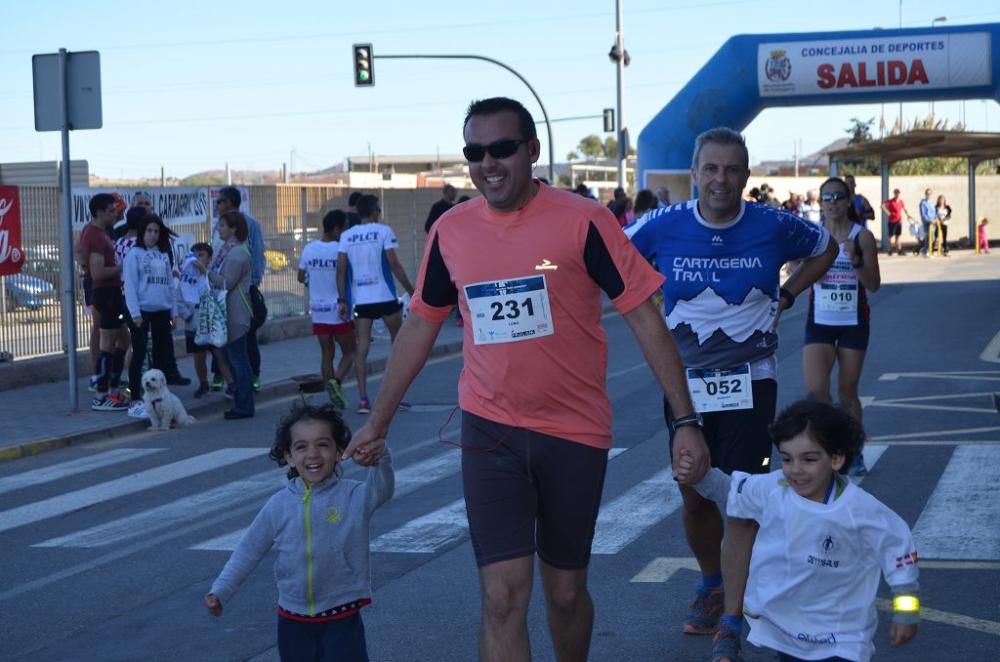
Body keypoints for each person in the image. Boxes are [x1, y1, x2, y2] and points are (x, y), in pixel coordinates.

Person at [341, 96, 709, 662]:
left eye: (502, 149)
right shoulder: (451, 231)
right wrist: (378, 422)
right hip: (492, 432)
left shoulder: (585, 221)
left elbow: (644, 315)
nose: (488, 163)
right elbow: (419, 326)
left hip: (574, 434)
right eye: (474, 152)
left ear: (531, 151)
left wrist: (685, 421)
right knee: (501, 597)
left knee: (564, 594)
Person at [624, 126, 837, 656]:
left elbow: (826, 248)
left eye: (732, 170)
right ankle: (710, 581)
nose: (721, 180)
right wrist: (647, 306)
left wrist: (788, 293)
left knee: (741, 495)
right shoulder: (660, 226)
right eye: (711, 169)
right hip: (685, 386)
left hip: (751, 379)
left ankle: (735, 614)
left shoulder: (774, 224)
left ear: (746, 175)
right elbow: (615, 265)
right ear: (695, 173)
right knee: (695, 494)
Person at [678, 400, 920, 662]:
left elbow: (899, 555)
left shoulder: (861, 511)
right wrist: (697, 477)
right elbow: (728, 490)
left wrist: (906, 611)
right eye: (786, 459)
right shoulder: (774, 489)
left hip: (842, 637)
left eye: (809, 459)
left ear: (836, 458)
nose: (796, 470)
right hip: (787, 632)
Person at [204, 402, 393, 662]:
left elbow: (383, 489)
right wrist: (221, 590)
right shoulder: (278, 505)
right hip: (293, 620)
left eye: (323, 444)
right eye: (301, 447)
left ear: (339, 451)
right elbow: (248, 550)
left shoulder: (353, 495)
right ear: (289, 456)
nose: (313, 454)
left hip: (342, 615)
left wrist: (380, 458)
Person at [801, 177, 881, 478]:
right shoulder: (815, 236)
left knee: (847, 392)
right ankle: (828, 450)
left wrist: (855, 259)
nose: (832, 202)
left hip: (852, 323)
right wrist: (798, 267)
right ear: (820, 203)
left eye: (838, 196)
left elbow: (873, 285)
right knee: (816, 393)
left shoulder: (862, 237)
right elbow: (800, 273)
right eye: (826, 197)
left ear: (849, 201)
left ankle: (855, 451)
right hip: (819, 323)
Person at [336, 193, 415, 415]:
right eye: (378, 210)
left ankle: (363, 400)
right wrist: (411, 290)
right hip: (386, 297)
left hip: (362, 301)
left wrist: (342, 300)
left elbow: (341, 270)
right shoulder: (383, 231)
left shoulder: (347, 236)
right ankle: (393, 398)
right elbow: (394, 265)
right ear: (373, 212)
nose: (380, 214)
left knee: (361, 349)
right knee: (397, 346)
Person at [195, 210, 254, 420]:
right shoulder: (229, 251)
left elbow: (227, 283)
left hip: (235, 313)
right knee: (236, 359)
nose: (218, 229)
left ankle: (244, 405)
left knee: (238, 361)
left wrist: (205, 271)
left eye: (222, 225)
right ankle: (242, 402)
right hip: (229, 312)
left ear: (233, 229)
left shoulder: (237, 254)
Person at [122, 215, 180, 419]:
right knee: (138, 353)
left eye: (156, 231)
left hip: (162, 310)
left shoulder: (163, 255)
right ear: (142, 232)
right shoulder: (134, 255)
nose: (153, 235)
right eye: (149, 231)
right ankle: (135, 396)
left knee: (160, 353)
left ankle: (159, 396)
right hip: (142, 310)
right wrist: (135, 313)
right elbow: (130, 285)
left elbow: (170, 285)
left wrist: (174, 312)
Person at [299, 210, 356, 410]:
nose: (347, 232)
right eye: (345, 227)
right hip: (337, 308)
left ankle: (332, 390)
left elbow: (300, 276)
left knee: (327, 353)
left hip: (318, 309)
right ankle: (336, 382)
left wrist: (315, 280)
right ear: (336, 229)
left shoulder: (309, 249)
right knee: (351, 351)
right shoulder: (341, 250)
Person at [80, 193, 129, 411]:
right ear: (99, 212)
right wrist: (122, 267)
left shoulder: (99, 233)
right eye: (110, 211)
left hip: (112, 292)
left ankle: (113, 387)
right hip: (106, 292)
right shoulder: (96, 236)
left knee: (123, 340)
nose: (114, 214)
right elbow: (97, 273)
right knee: (107, 343)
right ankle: (102, 395)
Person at [213, 187, 265, 391]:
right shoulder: (219, 227)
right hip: (222, 291)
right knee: (222, 338)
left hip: (240, 289)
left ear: (231, 202)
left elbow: (258, 255)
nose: (217, 205)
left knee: (243, 341)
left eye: (220, 201)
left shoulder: (249, 226)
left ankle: (251, 379)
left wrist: (250, 284)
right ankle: (224, 376)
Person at [178, 242, 233, 398]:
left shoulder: (212, 275)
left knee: (219, 354)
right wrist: (188, 316)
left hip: (212, 322)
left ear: (209, 258)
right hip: (193, 323)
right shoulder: (186, 277)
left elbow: (220, 292)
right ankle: (203, 384)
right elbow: (179, 299)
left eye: (201, 255)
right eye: (194, 255)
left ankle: (231, 384)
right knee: (198, 357)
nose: (197, 259)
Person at [881, 189, 912, 256]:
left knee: (898, 236)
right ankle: (890, 250)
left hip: (899, 221)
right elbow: (882, 206)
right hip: (892, 221)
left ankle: (899, 250)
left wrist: (908, 214)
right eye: (896, 193)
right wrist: (888, 213)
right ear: (894, 194)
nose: (897, 194)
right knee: (891, 236)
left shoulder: (901, 201)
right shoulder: (890, 201)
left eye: (898, 193)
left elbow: (904, 208)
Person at [917, 188, 936, 257]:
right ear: (925, 194)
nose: (929, 195)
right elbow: (923, 214)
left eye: (930, 194)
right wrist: (929, 220)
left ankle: (927, 250)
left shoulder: (932, 203)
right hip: (927, 223)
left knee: (933, 237)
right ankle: (926, 250)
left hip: (933, 222)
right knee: (928, 237)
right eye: (927, 194)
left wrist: (935, 219)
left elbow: (934, 212)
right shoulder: (923, 203)